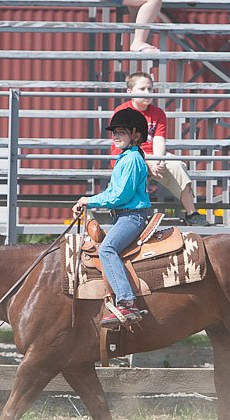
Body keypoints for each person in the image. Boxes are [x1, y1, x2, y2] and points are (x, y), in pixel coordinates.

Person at [72, 108, 151, 327]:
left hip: (131, 217)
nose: (116, 136)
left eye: (121, 132)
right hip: (124, 216)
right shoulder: (126, 158)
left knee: (107, 249)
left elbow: (119, 196)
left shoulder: (131, 160)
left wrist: (88, 200)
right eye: (114, 132)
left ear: (135, 134)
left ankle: (127, 302)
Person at [111, 72, 210, 226]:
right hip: (129, 154)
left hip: (152, 156)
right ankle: (130, 216)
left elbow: (159, 139)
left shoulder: (157, 113)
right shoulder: (122, 112)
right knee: (136, 166)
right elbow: (124, 144)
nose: (147, 93)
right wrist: (148, 163)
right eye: (142, 89)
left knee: (177, 165)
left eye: (150, 89)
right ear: (130, 92)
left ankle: (192, 214)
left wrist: (158, 160)